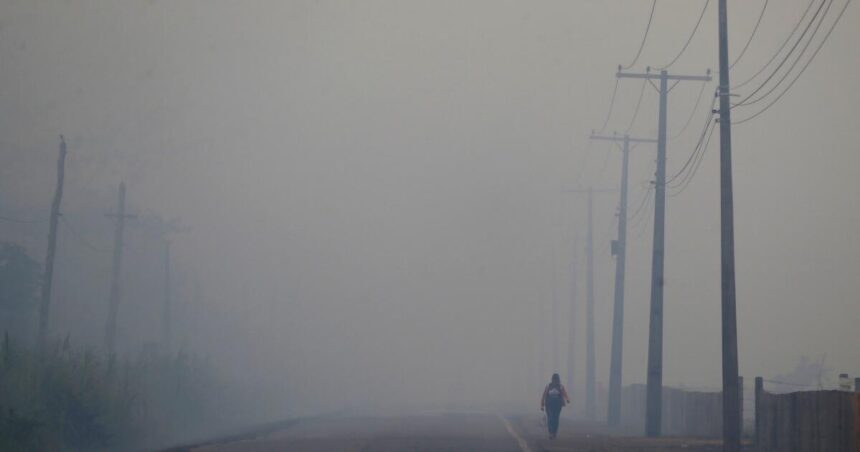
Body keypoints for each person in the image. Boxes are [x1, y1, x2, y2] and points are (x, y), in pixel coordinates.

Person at [540, 373, 570, 439]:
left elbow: (564, 393)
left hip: (557, 405)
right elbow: (544, 395)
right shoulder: (548, 386)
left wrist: (567, 399)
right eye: (554, 379)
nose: (555, 381)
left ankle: (554, 433)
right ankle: (551, 433)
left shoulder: (560, 386)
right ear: (552, 379)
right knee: (550, 418)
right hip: (549, 405)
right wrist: (542, 405)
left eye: (556, 380)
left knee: (556, 419)